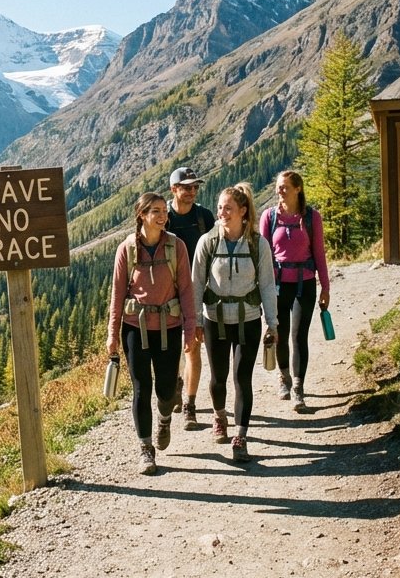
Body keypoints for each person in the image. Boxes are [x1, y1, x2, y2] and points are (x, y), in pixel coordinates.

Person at [106, 192, 197, 475]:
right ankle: (146, 449)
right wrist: (112, 334)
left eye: (163, 211)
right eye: (155, 211)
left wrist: (190, 329)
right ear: (142, 215)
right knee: (141, 388)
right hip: (136, 327)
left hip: (169, 327)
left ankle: (165, 417)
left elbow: (186, 289)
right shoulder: (127, 249)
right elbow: (117, 294)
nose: (162, 216)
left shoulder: (176, 247)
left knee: (166, 388)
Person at [191, 182, 278, 463]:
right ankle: (219, 417)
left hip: (248, 320)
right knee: (217, 378)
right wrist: (194, 323)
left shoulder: (258, 243)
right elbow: (195, 284)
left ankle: (240, 436)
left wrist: (272, 322)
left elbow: (267, 284)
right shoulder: (208, 241)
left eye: (227, 208)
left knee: (242, 378)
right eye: (219, 208)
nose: (221, 213)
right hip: (214, 319)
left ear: (243, 211)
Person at [259, 169, 331, 413]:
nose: (280, 190)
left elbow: (319, 254)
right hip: (277, 286)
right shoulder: (269, 217)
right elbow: (263, 256)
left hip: (305, 283)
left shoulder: (312, 218)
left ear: (297, 188)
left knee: (299, 335)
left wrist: (325, 287)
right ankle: (284, 377)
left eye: (285, 186)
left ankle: (298, 387)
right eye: (278, 186)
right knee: (279, 332)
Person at [166, 166, 216, 430]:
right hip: (169, 294)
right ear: (174, 189)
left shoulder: (204, 217)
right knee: (174, 348)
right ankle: (176, 382)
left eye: (195, 187)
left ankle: (190, 405)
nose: (192, 192)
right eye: (186, 188)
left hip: (198, 292)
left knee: (193, 347)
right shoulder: (165, 217)